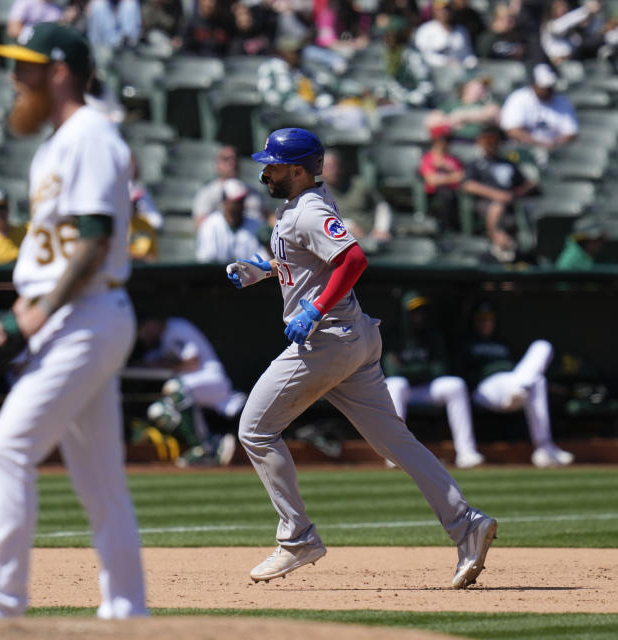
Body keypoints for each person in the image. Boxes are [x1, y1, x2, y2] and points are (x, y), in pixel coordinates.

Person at [0, 23, 147, 624]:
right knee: (100, 481)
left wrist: (33, 318)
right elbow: (58, 250)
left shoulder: (92, 134)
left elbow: (94, 241)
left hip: (86, 315)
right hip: (70, 316)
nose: (13, 78)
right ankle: (127, 609)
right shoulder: (54, 146)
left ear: (59, 71)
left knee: (5, 448)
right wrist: (29, 316)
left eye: (25, 66)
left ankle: (0, 601)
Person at [231, 127, 496, 589]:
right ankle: (466, 523)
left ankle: (297, 538)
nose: (264, 171)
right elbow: (309, 259)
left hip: (326, 341)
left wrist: (314, 307)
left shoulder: (308, 208)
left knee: (255, 429)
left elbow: (353, 260)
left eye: (272, 164)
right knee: (395, 441)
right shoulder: (305, 201)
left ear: (297, 169)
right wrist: (266, 271)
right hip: (354, 338)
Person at [460, 301, 575, 468]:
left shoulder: (503, 344)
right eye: (481, 320)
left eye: (489, 319)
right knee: (536, 381)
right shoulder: (466, 343)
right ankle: (544, 446)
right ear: (474, 321)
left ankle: (543, 449)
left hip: (511, 380)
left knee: (542, 349)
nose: (486, 324)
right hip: (486, 388)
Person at [383, 291, 484, 469]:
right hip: (404, 391)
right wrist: (424, 370)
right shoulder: (394, 337)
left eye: (422, 311)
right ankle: (394, 454)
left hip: (426, 389)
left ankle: (466, 452)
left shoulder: (433, 336)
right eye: (414, 312)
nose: (419, 316)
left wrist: (410, 370)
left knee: (455, 385)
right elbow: (393, 371)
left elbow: (440, 369)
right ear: (405, 314)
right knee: (396, 385)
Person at [137, 316, 244, 467]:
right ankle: (211, 443)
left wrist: (162, 365)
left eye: (145, 329)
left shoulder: (176, 328)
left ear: (153, 322)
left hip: (211, 380)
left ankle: (202, 448)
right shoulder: (161, 341)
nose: (145, 335)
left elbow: (192, 362)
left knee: (175, 387)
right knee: (157, 411)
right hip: (192, 387)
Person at [461, 125, 538, 262]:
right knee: (497, 206)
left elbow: (524, 183)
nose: (490, 144)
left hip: (511, 203)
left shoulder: (508, 163)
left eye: (493, 141)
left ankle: (515, 243)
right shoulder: (476, 164)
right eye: (487, 141)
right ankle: (497, 240)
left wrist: (516, 192)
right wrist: (496, 195)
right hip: (486, 203)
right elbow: (468, 185)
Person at [500, 64, 578, 153]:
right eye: (544, 87)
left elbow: (571, 132)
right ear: (534, 84)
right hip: (524, 150)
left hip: (554, 151)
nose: (548, 90)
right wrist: (539, 144)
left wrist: (554, 144)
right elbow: (512, 130)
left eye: (550, 87)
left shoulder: (562, 101)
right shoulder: (519, 98)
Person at [321, 149, 393, 241]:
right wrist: (347, 226)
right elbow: (318, 220)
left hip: (370, 236)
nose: (331, 171)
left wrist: (381, 229)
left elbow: (382, 206)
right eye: (326, 167)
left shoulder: (359, 185)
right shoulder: (315, 193)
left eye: (334, 166)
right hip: (338, 240)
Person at [191, 145, 268, 227]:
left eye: (235, 159)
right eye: (226, 159)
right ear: (217, 164)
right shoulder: (206, 193)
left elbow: (269, 216)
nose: (232, 163)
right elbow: (201, 224)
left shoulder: (253, 192)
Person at [196, 178, 265, 263]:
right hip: (216, 275)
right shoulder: (210, 225)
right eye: (235, 201)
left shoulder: (256, 224)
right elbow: (208, 261)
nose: (239, 205)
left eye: (241, 200)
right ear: (225, 201)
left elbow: (262, 259)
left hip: (249, 275)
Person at [424, 73, 501, 142]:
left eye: (485, 86)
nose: (483, 88)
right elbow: (430, 121)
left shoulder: (487, 104)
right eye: (479, 84)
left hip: (478, 144)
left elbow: (493, 115)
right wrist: (451, 121)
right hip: (454, 142)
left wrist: (461, 116)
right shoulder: (452, 104)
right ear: (466, 86)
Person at [419, 124, 464, 232]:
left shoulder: (453, 159)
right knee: (445, 194)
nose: (446, 143)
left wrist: (443, 176)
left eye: (448, 139)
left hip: (456, 193)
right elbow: (431, 180)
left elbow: (461, 176)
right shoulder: (428, 158)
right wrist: (451, 177)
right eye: (443, 139)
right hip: (434, 194)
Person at [413, 0, 477, 68]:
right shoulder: (425, 31)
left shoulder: (462, 31)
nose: (444, 12)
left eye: (448, 9)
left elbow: (468, 55)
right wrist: (445, 62)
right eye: (440, 9)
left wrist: (472, 63)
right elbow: (422, 56)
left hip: (459, 72)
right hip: (434, 73)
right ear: (434, 11)